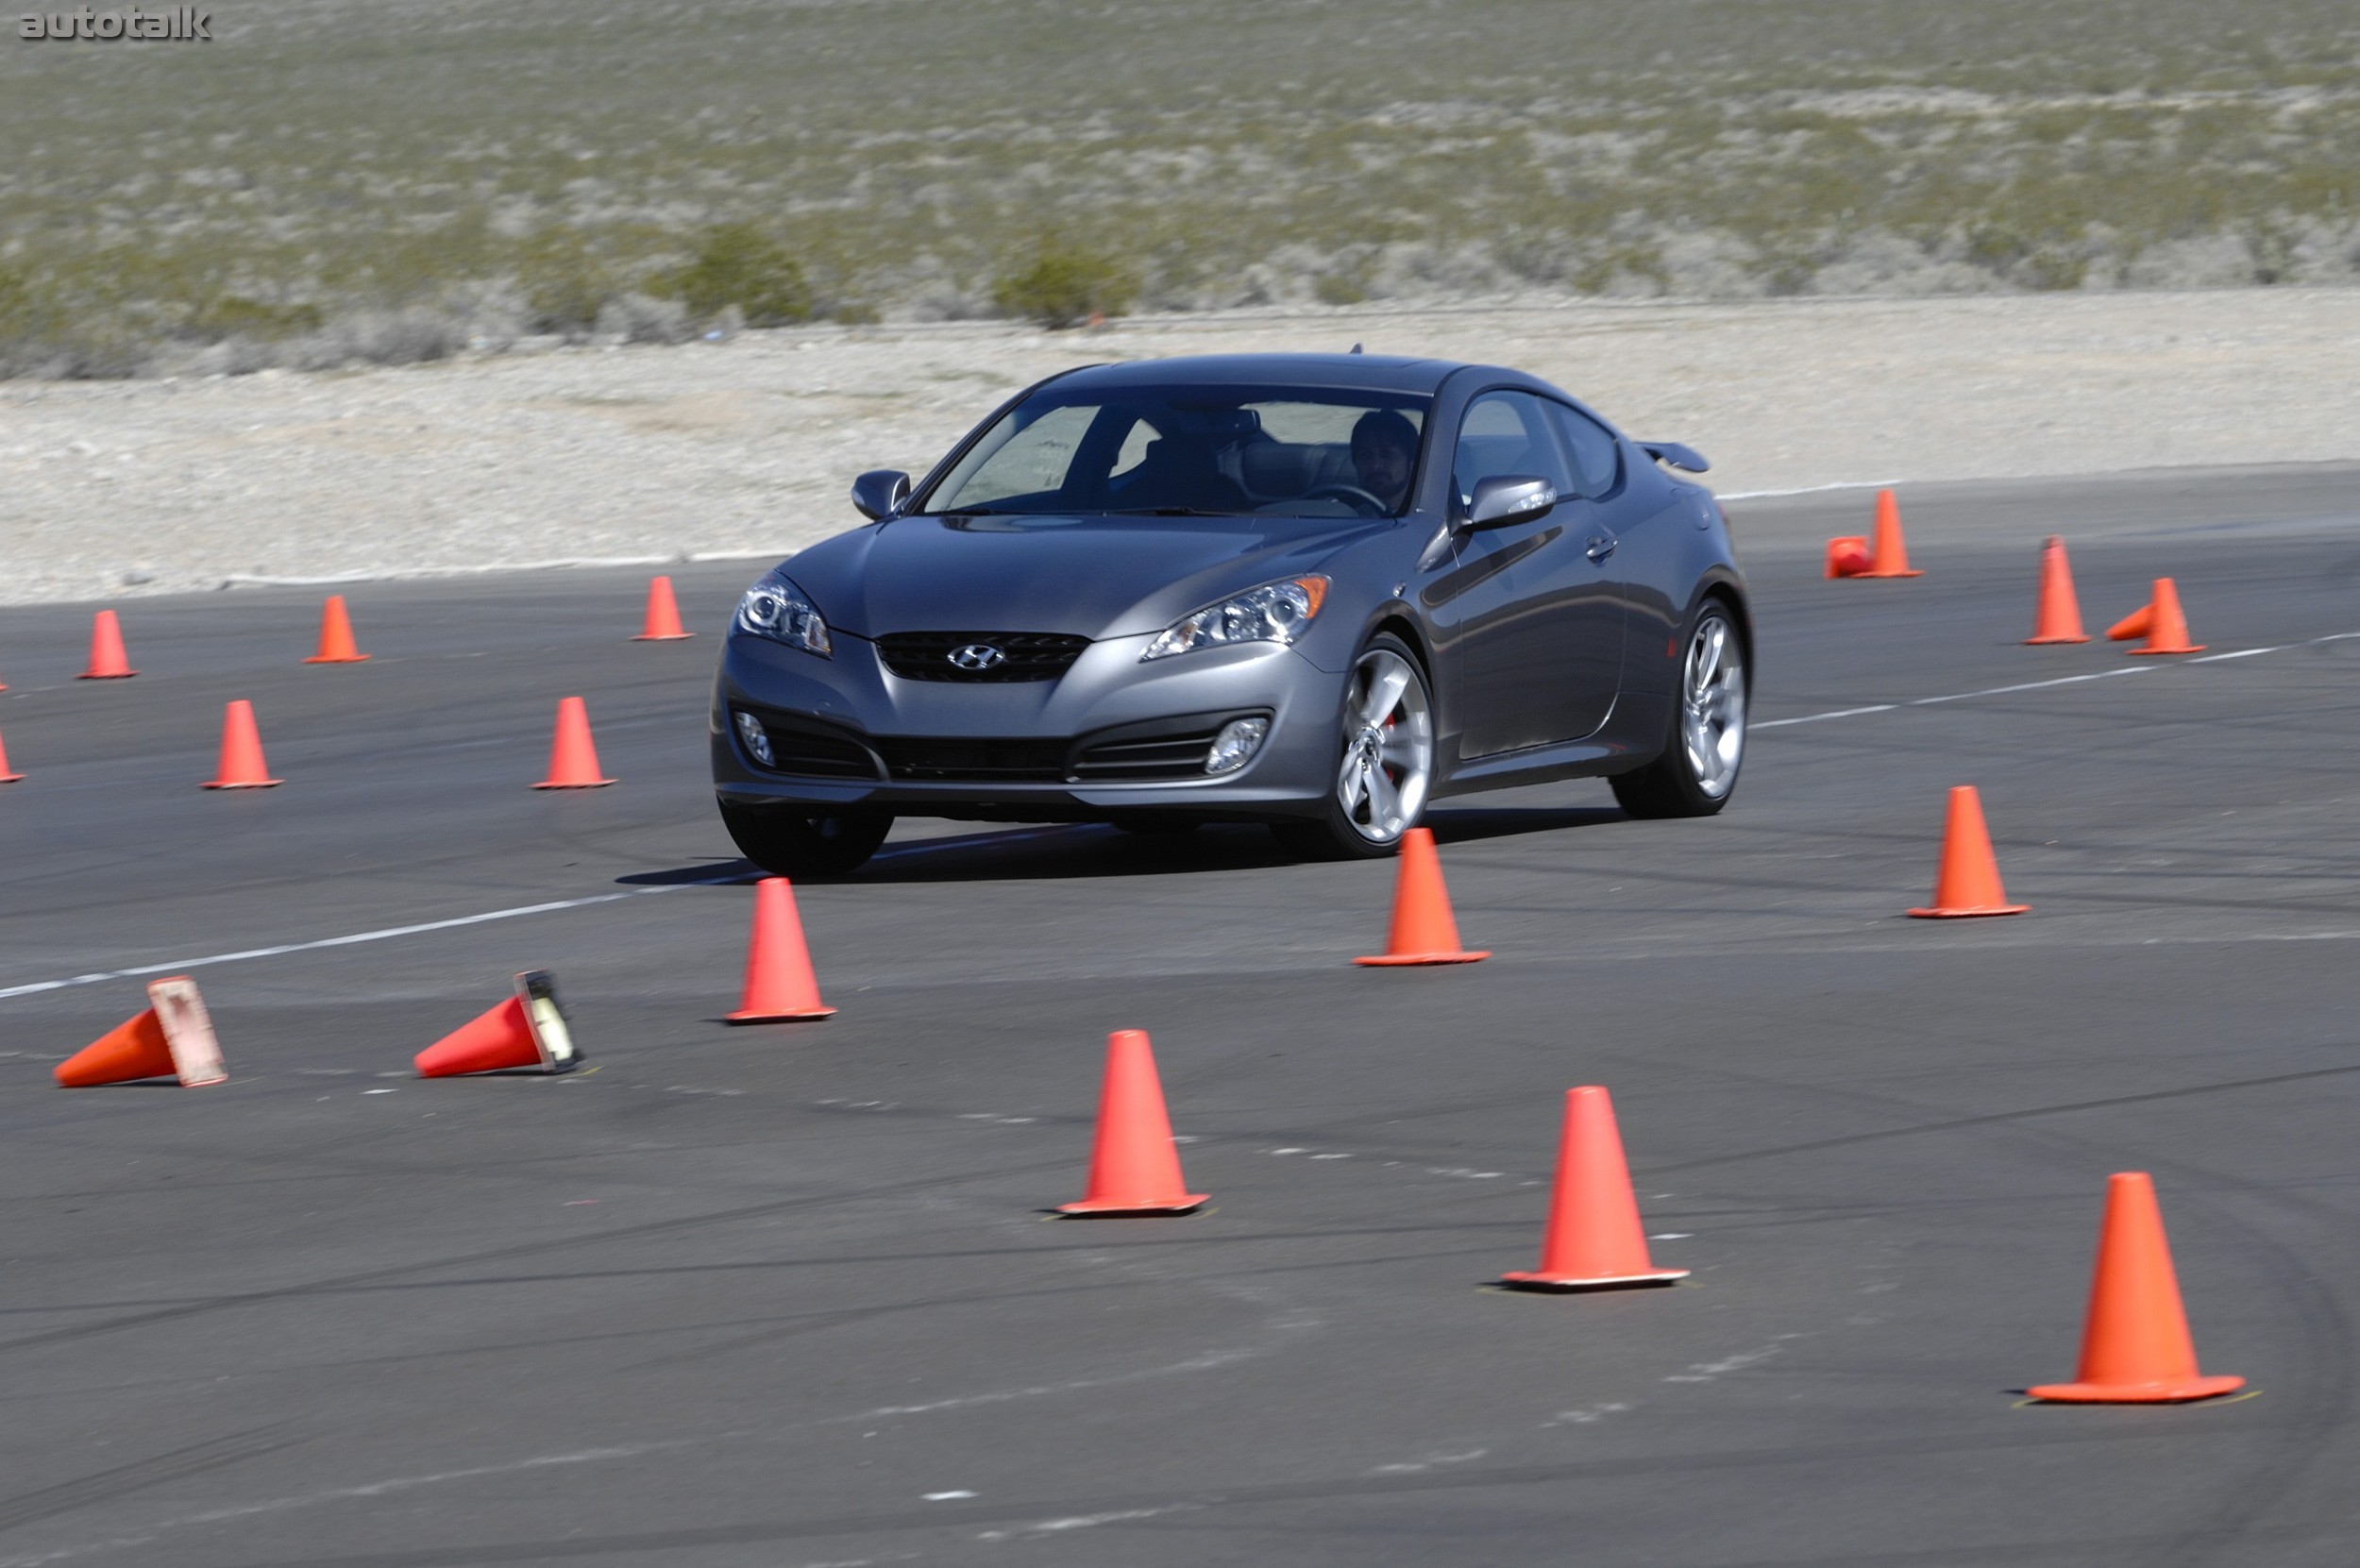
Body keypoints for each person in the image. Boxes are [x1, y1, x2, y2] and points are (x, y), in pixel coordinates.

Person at [1349, 410, 1419, 513]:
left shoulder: (1435, 519)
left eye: (1388, 455)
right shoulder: (1341, 515)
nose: (1376, 465)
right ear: (1355, 462)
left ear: (1412, 462)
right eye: (1366, 455)